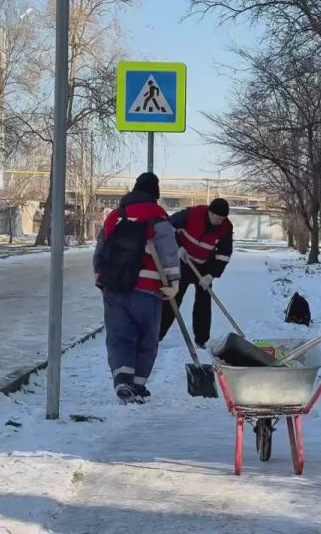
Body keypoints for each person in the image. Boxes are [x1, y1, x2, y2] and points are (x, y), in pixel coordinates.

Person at [94, 172, 181, 404]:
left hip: (114, 286)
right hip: (147, 288)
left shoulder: (116, 215)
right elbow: (168, 251)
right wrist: (174, 283)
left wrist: (99, 277)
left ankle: (123, 379)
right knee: (146, 338)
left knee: (119, 336)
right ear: (156, 194)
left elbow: (101, 248)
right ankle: (138, 385)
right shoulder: (157, 215)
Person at [159, 198, 234, 349]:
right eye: (217, 218)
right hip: (184, 261)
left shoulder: (226, 227)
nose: (220, 221)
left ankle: (201, 339)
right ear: (210, 212)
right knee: (173, 298)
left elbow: (224, 254)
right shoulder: (192, 214)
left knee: (204, 302)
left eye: (223, 219)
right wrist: (177, 247)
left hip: (206, 265)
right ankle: (157, 334)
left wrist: (211, 275)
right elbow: (167, 227)